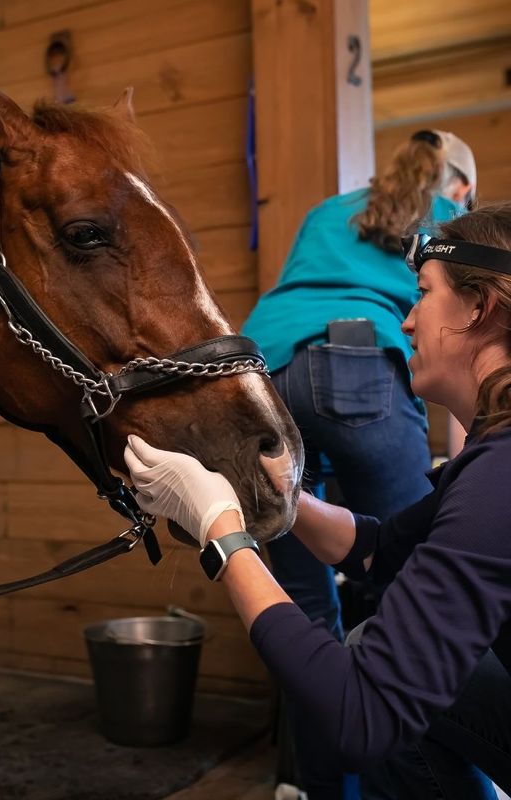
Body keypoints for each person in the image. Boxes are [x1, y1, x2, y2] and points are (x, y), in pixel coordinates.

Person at [124, 203, 511, 799]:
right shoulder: (491, 464)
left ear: (478, 307)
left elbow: (364, 717)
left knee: (379, 690)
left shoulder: (500, 478)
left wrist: (223, 534)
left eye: (423, 294)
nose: (405, 323)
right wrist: (283, 495)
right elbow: (378, 553)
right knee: (374, 651)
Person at [239, 129, 477, 795]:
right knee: (414, 592)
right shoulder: (454, 222)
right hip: (357, 368)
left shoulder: (328, 209)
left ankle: (316, 787)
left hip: (263, 373)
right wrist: (467, 474)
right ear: (459, 188)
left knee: (304, 610)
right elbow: (463, 354)